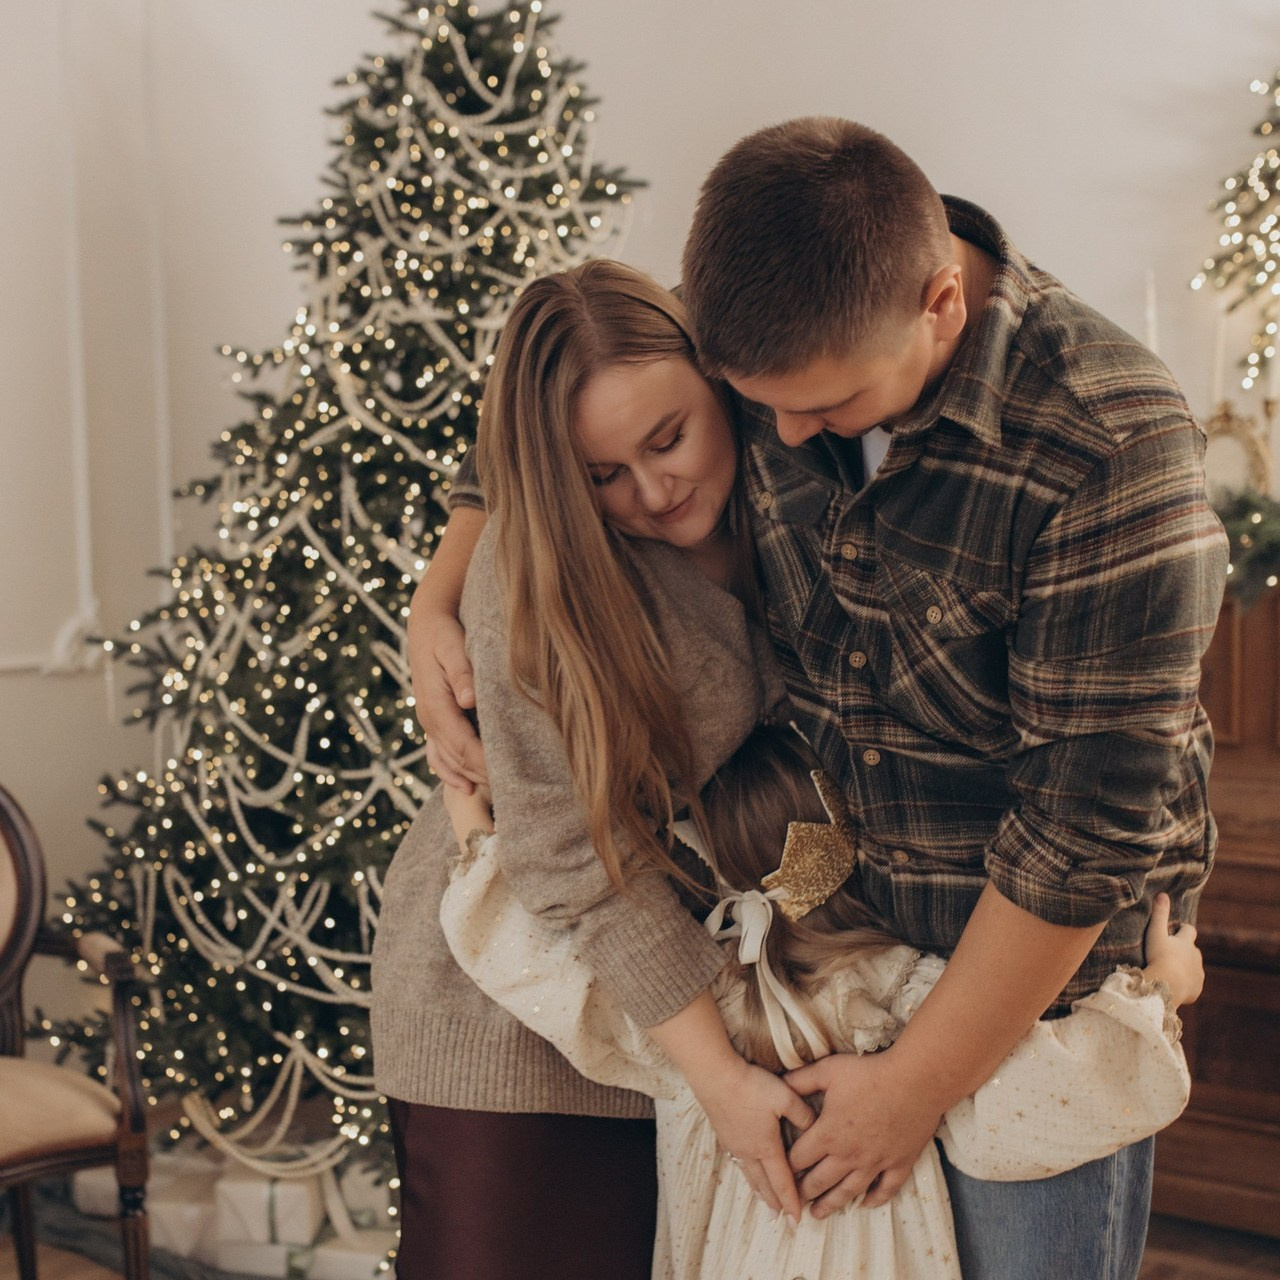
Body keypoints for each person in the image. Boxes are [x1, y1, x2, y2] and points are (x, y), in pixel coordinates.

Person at [414, 117, 1229, 1278]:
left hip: (1033, 999)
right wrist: (438, 590)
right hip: (848, 954)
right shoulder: (778, 313)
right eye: (753, 404)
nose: (780, 440)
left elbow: (1077, 837)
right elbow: (556, 400)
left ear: (939, 304)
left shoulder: (1105, 451)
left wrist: (910, 1088)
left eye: (825, 407)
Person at [370, 259, 814, 1280]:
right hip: (509, 996)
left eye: (667, 439)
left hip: (691, 982)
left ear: (724, 382)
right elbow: (575, 858)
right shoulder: (533, 578)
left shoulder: (800, 470)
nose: (653, 491)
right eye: (602, 475)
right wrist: (719, 1079)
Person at [440, 723, 1203, 1280]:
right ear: (852, 847)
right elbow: (1043, 1096)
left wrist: (467, 803)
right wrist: (1164, 986)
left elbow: (531, 958)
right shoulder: (898, 996)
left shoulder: (684, 1020)